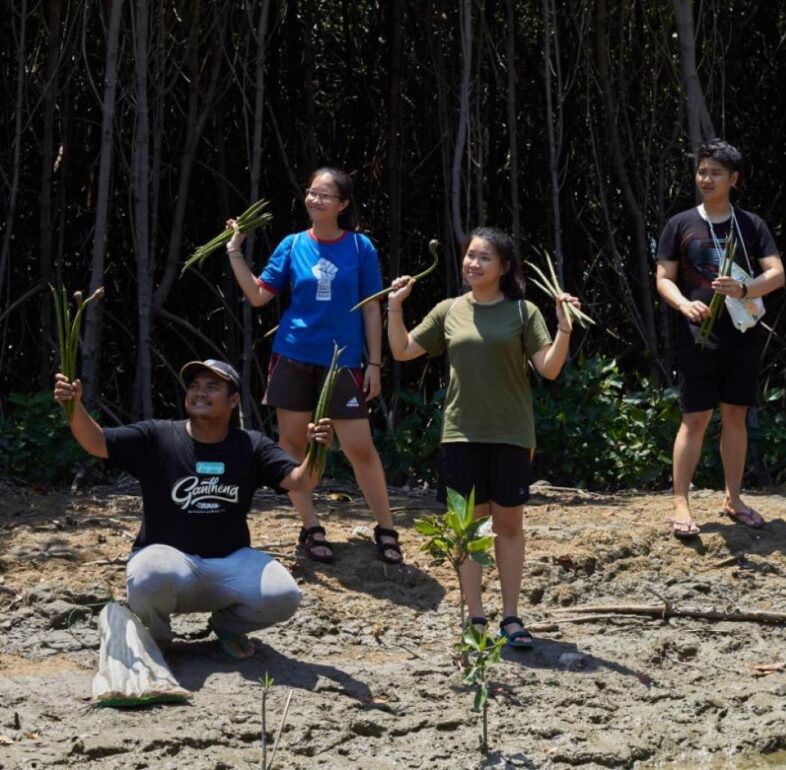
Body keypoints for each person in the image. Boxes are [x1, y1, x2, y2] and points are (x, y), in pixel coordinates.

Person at [53, 359, 332, 659]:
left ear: (234, 400)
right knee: (147, 575)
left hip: (231, 562)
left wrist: (319, 448)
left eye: (213, 387)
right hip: (171, 562)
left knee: (284, 596)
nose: (200, 393)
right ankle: (155, 639)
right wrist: (75, 406)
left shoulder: (251, 445)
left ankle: (227, 626)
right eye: (195, 386)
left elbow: (301, 481)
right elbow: (96, 443)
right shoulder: (157, 437)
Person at [386, 227, 580, 650]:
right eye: (470, 255)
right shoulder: (448, 310)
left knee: (509, 525)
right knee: (469, 529)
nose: (473, 263)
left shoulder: (523, 311)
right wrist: (395, 308)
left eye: (484, 257)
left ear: (504, 267)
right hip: (461, 434)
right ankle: (474, 617)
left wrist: (564, 328)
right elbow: (401, 350)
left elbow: (547, 368)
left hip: (511, 433)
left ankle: (511, 617)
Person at [226, 167, 402, 565]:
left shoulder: (360, 248)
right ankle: (311, 527)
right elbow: (257, 296)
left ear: (342, 204)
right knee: (292, 446)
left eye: (325, 195)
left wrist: (374, 362)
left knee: (360, 447)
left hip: (344, 361)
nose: (315, 200)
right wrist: (235, 251)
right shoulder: (291, 245)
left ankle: (387, 528)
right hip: (293, 356)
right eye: (311, 193)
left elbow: (372, 307)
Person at [655, 140, 785, 539]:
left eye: (715, 173)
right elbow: (663, 278)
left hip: (741, 332)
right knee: (694, 417)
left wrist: (744, 290)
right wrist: (683, 306)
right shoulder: (680, 224)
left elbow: (776, 275)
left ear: (734, 179)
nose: (706, 179)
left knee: (735, 415)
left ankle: (734, 498)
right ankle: (680, 501)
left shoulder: (751, 225)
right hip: (698, 335)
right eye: (702, 172)